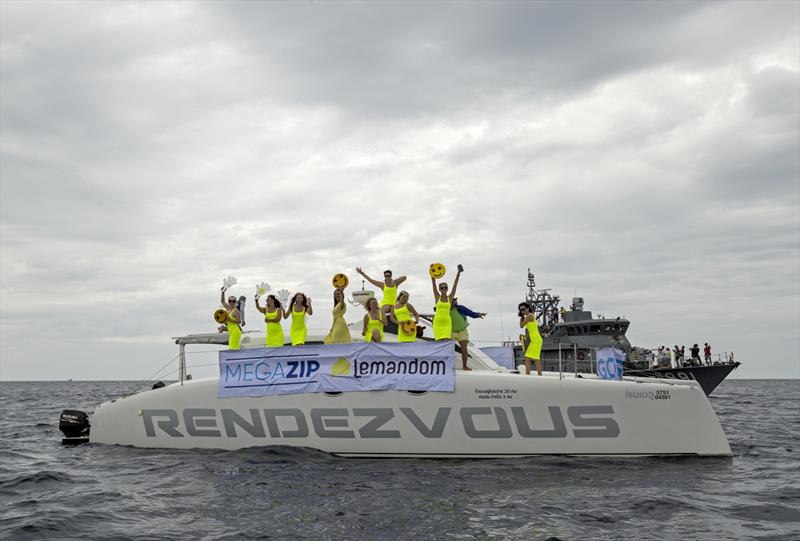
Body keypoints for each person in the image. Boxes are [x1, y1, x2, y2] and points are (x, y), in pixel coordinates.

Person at [450, 298, 486, 370]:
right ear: (450, 301)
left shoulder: (460, 308)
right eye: (454, 300)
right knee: (448, 349)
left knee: (464, 349)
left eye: (456, 300)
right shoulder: (446, 310)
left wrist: (478, 314)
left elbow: (470, 313)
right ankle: (448, 366)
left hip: (462, 331)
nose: (456, 301)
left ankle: (464, 366)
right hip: (452, 331)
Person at [431, 264, 462, 340]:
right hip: (437, 322)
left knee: (446, 341)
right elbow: (433, 282)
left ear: (447, 289)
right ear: (439, 289)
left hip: (447, 323)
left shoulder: (450, 298)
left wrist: (458, 273)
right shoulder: (437, 297)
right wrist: (432, 269)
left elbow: (455, 285)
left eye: (445, 287)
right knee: (438, 342)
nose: (444, 289)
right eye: (442, 288)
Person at [518, 302, 542, 375]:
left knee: (528, 357)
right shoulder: (528, 316)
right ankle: (539, 375)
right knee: (535, 358)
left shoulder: (529, 315)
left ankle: (528, 375)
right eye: (521, 310)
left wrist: (521, 317)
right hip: (535, 339)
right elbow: (530, 329)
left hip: (536, 340)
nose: (522, 311)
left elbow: (521, 325)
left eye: (524, 309)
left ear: (528, 308)